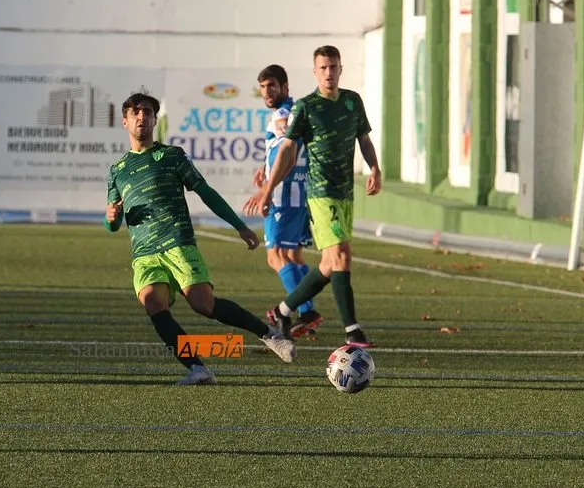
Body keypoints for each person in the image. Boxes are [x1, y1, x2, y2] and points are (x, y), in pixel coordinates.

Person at [105, 90, 297, 386]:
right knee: (154, 305)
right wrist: (112, 218)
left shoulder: (172, 156)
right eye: (135, 112)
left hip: (177, 242)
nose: (141, 116)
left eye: (147, 112)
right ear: (125, 121)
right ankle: (197, 368)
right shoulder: (117, 170)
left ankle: (271, 335)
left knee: (203, 305)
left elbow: (205, 192)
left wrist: (239, 226)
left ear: (155, 120)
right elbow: (113, 224)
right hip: (144, 253)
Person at [244, 45, 382, 348]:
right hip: (319, 193)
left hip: (345, 192)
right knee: (341, 255)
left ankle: (283, 311)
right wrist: (267, 189)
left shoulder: (352, 101)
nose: (329, 73)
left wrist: (375, 168)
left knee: (328, 264)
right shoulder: (306, 106)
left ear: (341, 69)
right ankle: (352, 331)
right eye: (323, 68)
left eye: (333, 67)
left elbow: (364, 138)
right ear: (315, 72)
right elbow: (287, 149)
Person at [252, 65, 321, 339]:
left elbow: (287, 152)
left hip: (284, 194)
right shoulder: (294, 112)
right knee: (294, 256)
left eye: (272, 85)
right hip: (299, 193)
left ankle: (306, 312)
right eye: (263, 87)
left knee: (276, 256)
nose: (267, 92)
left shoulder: (282, 114)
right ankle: (307, 314)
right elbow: (284, 148)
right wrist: (264, 167)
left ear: (285, 87)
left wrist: (267, 189)